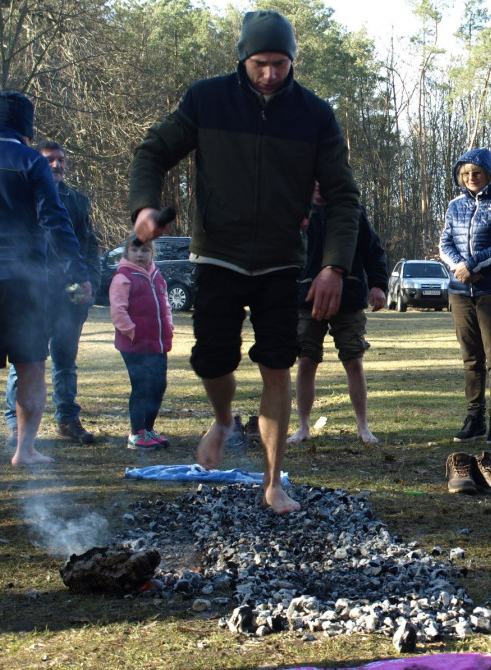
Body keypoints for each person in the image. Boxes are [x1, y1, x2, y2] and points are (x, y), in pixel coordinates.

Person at [129, 9, 361, 513]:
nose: (271, 74)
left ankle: (273, 482)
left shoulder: (316, 115)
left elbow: (344, 197)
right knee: (213, 360)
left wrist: (333, 266)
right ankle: (223, 419)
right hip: (218, 254)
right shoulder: (206, 99)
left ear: (293, 60)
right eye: (261, 63)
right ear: (243, 58)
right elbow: (152, 153)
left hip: (281, 261)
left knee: (278, 364)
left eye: (281, 63)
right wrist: (145, 207)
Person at [0, 91, 92, 465]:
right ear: (24, 128)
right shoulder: (30, 160)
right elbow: (55, 220)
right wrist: (77, 272)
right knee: (30, 365)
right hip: (22, 282)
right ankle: (25, 450)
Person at [4, 140, 100, 447]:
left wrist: (90, 286)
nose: (57, 165)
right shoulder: (21, 197)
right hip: (31, 293)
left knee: (65, 362)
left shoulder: (78, 201)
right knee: (23, 363)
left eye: (61, 160)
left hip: (69, 296)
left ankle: (67, 420)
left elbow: (90, 247)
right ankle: (15, 426)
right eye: (49, 160)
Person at [288, 194, 387, 446]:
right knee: (306, 361)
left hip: (349, 296)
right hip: (306, 297)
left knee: (353, 361)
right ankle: (303, 428)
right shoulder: (296, 208)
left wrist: (378, 285)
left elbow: (372, 249)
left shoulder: (352, 209)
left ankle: (363, 427)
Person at [439, 148, 491, 446]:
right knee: (470, 358)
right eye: (465, 173)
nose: (471, 178)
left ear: (489, 174)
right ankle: (475, 418)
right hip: (460, 291)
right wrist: (460, 268)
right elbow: (445, 242)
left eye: (477, 172)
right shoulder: (455, 204)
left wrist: (473, 265)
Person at [109, 234, 173, 450]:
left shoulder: (157, 276)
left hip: (157, 343)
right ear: (127, 252)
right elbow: (118, 310)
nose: (139, 254)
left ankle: (148, 428)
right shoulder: (123, 277)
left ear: (151, 253)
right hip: (135, 345)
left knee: (158, 385)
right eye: (134, 250)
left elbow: (166, 305)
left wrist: (169, 326)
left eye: (144, 250)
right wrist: (132, 332)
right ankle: (137, 433)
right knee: (142, 386)